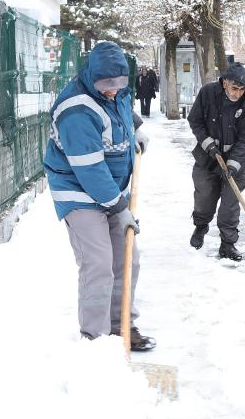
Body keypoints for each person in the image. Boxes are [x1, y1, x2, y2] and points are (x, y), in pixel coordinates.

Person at [44, 41, 154, 350]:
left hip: (111, 190)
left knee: (127, 259)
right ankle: (95, 340)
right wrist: (120, 208)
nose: (111, 91)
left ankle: (122, 327)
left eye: (117, 85)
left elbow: (120, 108)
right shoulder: (76, 110)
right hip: (78, 191)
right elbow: (89, 170)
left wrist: (135, 132)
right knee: (98, 263)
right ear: (91, 77)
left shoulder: (115, 91)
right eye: (105, 86)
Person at [187, 63, 245, 261]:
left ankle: (227, 244)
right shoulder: (208, 93)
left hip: (235, 161)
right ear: (225, 82)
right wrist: (208, 144)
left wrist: (234, 165)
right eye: (235, 88)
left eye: (242, 89)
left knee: (230, 203)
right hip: (207, 158)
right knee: (204, 198)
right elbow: (195, 120)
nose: (238, 93)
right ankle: (201, 227)